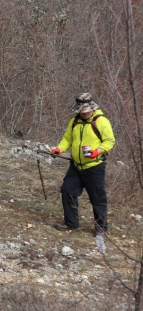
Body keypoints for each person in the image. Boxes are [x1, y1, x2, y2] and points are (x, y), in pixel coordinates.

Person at [50, 92, 116, 235]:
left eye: (86, 111)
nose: (84, 114)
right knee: (67, 190)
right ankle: (71, 223)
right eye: (81, 112)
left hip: (94, 167)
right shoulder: (75, 121)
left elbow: (109, 141)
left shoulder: (101, 121)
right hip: (76, 166)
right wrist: (59, 149)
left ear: (92, 108)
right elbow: (67, 139)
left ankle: (101, 229)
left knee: (97, 198)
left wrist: (96, 152)